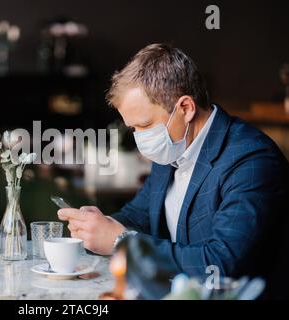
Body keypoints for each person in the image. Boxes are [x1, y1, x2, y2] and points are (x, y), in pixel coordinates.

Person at [58, 43, 289, 298]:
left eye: (145, 125)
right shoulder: (173, 146)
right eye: (133, 128)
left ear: (186, 108)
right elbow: (141, 215)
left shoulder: (251, 160)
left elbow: (220, 264)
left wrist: (121, 241)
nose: (140, 138)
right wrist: (102, 225)